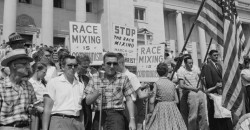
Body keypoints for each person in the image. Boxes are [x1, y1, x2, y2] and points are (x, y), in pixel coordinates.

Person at [85, 52, 136, 130]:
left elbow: (129, 100)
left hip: (117, 116)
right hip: (99, 115)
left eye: (114, 64)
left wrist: (132, 120)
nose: (112, 66)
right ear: (103, 65)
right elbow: (87, 101)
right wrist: (97, 93)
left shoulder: (123, 77)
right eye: (109, 63)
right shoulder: (95, 77)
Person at [45, 55, 85, 130]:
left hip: (77, 121)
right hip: (59, 120)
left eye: (75, 66)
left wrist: (82, 125)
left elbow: (81, 109)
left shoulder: (80, 85)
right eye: (70, 65)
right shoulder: (54, 82)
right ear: (63, 67)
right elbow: (47, 109)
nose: (73, 68)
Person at [0, 49, 37, 130]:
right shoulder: (1, 86)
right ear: (14, 66)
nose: (28, 67)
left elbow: (34, 112)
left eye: (28, 64)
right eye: (24, 64)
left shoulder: (28, 85)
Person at [146, 62, 187, 130]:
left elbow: (152, 101)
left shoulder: (156, 84)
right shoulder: (172, 84)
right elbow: (177, 101)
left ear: (157, 72)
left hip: (160, 108)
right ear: (167, 72)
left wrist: (150, 112)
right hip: (173, 109)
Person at [116, 53, 150, 130]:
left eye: (115, 64)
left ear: (121, 63)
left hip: (128, 107)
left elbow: (140, 95)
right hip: (117, 106)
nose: (113, 67)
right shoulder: (116, 76)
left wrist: (148, 94)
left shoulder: (131, 76)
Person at [202, 50, 233, 130]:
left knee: (223, 111)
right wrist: (216, 87)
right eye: (214, 55)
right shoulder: (208, 66)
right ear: (210, 56)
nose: (216, 56)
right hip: (213, 93)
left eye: (217, 55)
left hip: (221, 92)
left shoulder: (219, 65)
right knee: (214, 112)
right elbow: (209, 81)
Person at [177, 56, 208, 130]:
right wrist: (192, 88)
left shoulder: (195, 69)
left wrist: (203, 68)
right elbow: (181, 85)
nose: (191, 64)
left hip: (199, 92)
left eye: (192, 63)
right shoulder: (181, 71)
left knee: (203, 114)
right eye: (189, 63)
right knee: (193, 115)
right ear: (185, 63)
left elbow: (201, 76)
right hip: (191, 93)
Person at [76, 55, 97, 130]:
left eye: (88, 67)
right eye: (84, 67)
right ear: (77, 64)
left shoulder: (86, 78)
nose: (87, 69)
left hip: (86, 108)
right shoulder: (71, 79)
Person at [29, 62, 49, 130]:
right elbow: (29, 100)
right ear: (37, 70)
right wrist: (38, 107)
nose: (45, 74)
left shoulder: (43, 83)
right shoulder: (30, 83)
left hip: (44, 110)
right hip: (35, 112)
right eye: (44, 72)